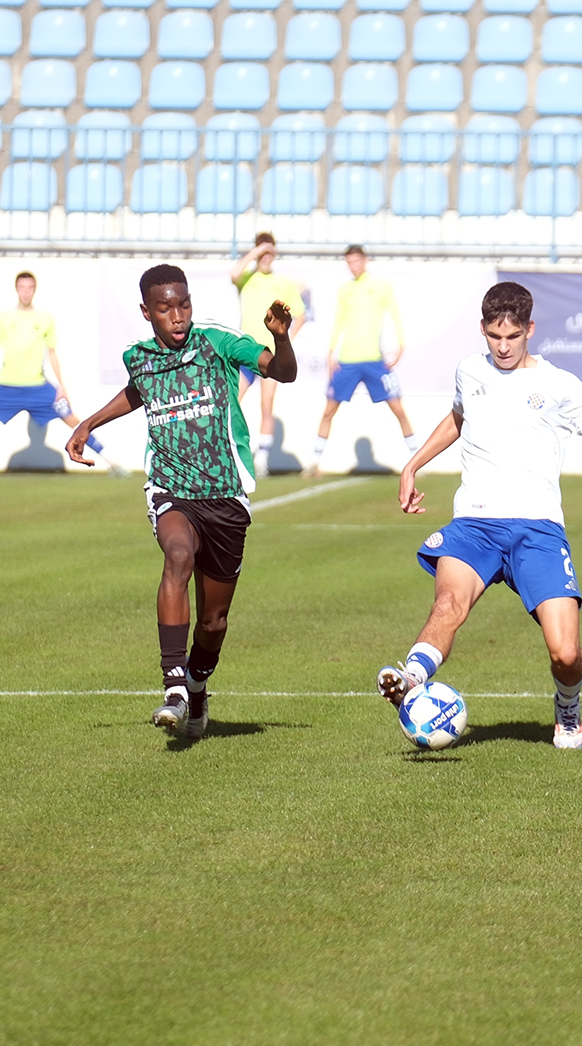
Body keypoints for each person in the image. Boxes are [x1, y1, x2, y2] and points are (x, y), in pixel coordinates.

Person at [376, 282, 582, 749]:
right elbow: (459, 416)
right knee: (447, 605)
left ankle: (568, 705)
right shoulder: (468, 371)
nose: (502, 347)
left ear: (530, 330)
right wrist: (414, 463)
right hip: (474, 524)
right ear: (482, 329)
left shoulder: (558, 385)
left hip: (537, 529)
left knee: (565, 653)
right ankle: (411, 679)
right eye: (494, 336)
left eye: (512, 337)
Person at [67, 266, 296, 740]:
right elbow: (139, 392)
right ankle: (173, 684)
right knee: (177, 554)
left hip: (226, 494)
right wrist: (89, 423)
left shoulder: (217, 342)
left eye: (184, 304)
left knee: (214, 622)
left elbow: (283, 371)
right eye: (166, 308)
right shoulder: (140, 357)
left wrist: (282, 338)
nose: (178, 316)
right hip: (171, 487)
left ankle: (196, 684)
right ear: (146, 312)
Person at [0, 271, 119, 475]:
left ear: (34, 290)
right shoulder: (4, 318)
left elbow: (52, 353)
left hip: (38, 387)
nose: (26, 292)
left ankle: (113, 463)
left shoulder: (45, 318)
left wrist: (62, 386)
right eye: (22, 288)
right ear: (16, 289)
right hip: (6, 386)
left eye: (30, 288)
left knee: (72, 419)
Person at [308, 245, 418, 477]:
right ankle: (314, 464)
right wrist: (330, 352)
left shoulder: (380, 286)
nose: (353, 266)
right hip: (347, 360)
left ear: (365, 261)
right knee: (328, 410)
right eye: (349, 262)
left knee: (398, 408)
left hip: (374, 360)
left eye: (356, 261)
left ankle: (417, 460)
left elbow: (395, 314)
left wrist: (401, 345)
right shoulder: (345, 290)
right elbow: (339, 321)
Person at [230, 233, 307, 476]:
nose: (265, 257)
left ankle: (262, 457)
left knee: (266, 405)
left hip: (270, 355)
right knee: (232, 401)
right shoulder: (247, 278)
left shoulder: (282, 283)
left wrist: (286, 342)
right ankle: (230, 451)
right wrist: (255, 252)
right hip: (245, 352)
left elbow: (300, 315)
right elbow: (234, 274)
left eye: (269, 252)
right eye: (261, 252)